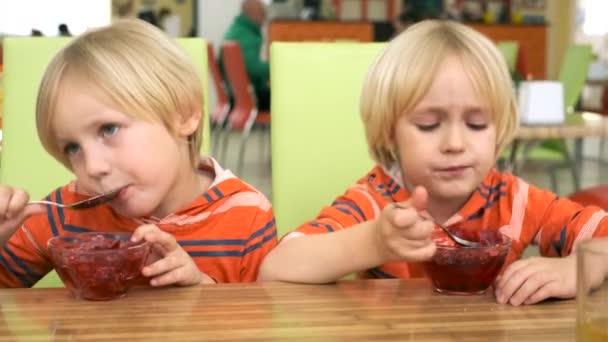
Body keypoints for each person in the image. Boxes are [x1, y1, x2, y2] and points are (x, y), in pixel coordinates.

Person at [257, 20, 608, 306]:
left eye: (476, 124)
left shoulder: (515, 201)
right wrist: (374, 244)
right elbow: (276, 267)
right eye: (428, 124)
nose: (455, 144)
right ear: (389, 133)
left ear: (499, 130)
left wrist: (579, 268)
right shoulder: (377, 203)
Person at [0, 19, 277, 288]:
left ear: (184, 115)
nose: (93, 167)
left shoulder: (247, 215)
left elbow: (264, 319)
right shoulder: (64, 214)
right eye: (72, 148)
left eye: (108, 129)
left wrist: (201, 289)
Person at [222, 0, 270, 111]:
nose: (265, 18)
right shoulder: (246, 35)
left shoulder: (237, 29)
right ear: (255, 14)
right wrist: (279, 68)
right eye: (263, 13)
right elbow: (252, 67)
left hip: (236, 94)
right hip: (251, 96)